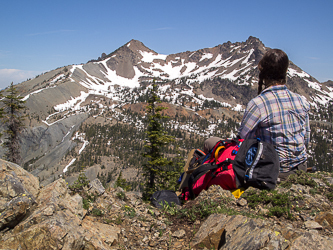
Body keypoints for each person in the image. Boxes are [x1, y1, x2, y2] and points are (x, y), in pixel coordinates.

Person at [237, 49, 310, 181]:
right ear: (285, 71)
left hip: (273, 170)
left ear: (263, 73)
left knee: (210, 143)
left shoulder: (258, 104)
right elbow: (306, 139)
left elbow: (241, 141)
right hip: (301, 167)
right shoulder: (301, 100)